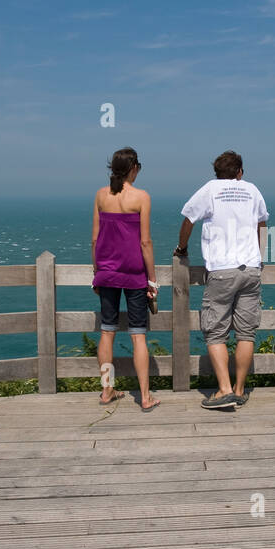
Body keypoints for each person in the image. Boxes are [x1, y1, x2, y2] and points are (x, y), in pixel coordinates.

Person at [174, 150, 268, 410]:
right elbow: (262, 223)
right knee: (246, 332)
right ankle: (239, 389)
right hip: (250, 268)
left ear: (216, 173)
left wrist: (182, 248)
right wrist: (259, 257)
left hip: (222, 270)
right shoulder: (252, 190)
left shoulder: (211, 189)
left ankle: (224, 390)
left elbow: (189, 219)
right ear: (240, 172)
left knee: (215, 332)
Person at [91, 147, 159, 411]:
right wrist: (151, 279)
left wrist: (97, 273)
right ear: (134, 168)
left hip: (106, 273)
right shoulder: (141, 197)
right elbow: (145, 242)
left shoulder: (100, 195)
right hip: (134, 274)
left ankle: (107, 389)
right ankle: (144, 396)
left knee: (107, 332)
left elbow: (95, 239)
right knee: (138, 335)